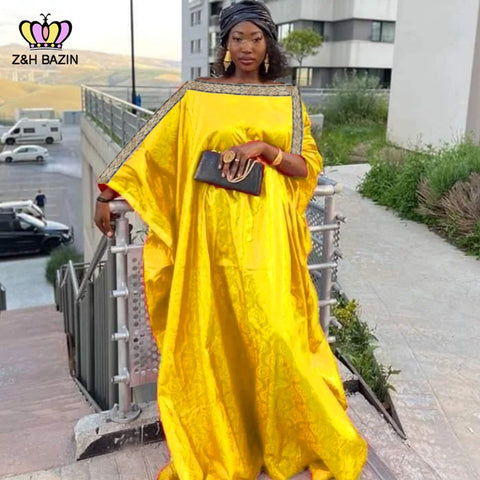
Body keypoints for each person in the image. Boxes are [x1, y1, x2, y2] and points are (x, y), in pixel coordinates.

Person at [94, 1, 367, 478]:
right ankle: (228, 433)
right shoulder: (197, 95)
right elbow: (152, 146)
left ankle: (285, 431)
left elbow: (306, 165)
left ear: (268, 45)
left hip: (268, 236)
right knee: (216, 335)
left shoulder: (285, 98)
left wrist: (264, 148)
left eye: (256, 38)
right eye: (238, 38)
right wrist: (108, 192)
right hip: (209, 238)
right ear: (225, 44)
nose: (246, 47)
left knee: (275, 332)